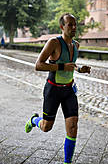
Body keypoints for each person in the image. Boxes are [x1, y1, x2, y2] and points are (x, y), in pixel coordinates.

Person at [25, 13, 91, 164]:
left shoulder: (76, 45)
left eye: (75, 24)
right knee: (46, 127)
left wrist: (80, 69)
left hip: (69, 91)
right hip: (53, 90)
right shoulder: (54, 43)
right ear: (62, 26)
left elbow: (70, 66)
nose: (74, 27)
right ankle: (34, 120)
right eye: (70, 24)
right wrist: (61, 66)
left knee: (73, 126)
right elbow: (38, 65)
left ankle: (67, 162)